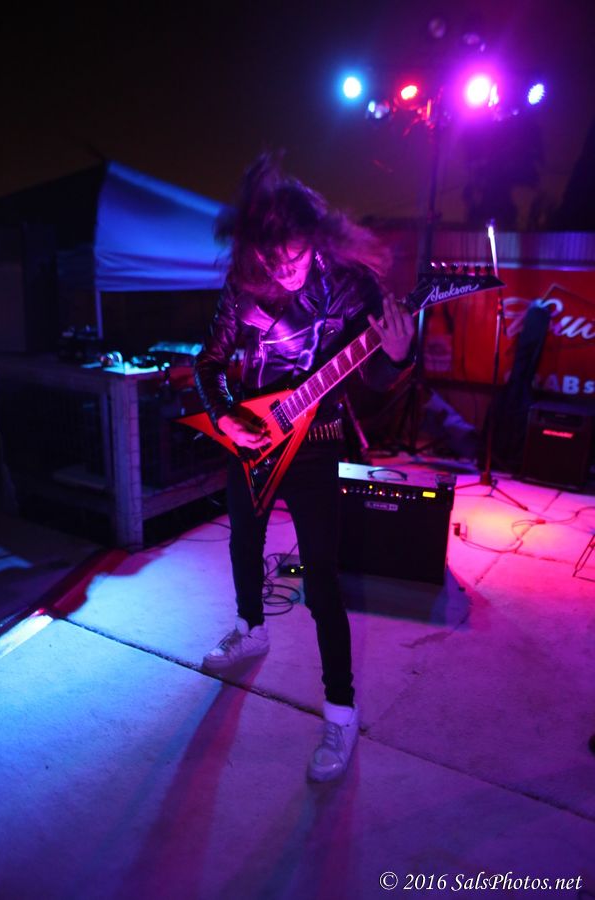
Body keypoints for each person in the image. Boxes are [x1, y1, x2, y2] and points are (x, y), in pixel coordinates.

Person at [194, 154, 415, 781]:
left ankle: (341, 711)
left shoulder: (351, 283)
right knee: (243, 539)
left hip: (317, 440)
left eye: (291, 256)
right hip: (254, 433)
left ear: (314, 238)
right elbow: (208, 361)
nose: (282, 269)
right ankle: (250, 629)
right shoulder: (244, 284)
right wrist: (225, 417)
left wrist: (397, 356)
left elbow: (374, 377)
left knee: (321, 578)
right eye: (270, 260)